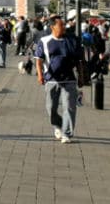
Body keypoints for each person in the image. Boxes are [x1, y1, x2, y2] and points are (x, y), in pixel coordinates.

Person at [34, 15, 84, 143]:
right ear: (52, 27)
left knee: (69, 107)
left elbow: (79, 61)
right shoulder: (44, 41)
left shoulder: (72, 40)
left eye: (64, 25)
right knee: (51, 108)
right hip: (52, 79)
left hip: (69, 79)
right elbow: (39, 61)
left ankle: (67, 133)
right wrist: (40, 75)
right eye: (61, 25)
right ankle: (58, 125)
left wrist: (81, 76)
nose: (64, 27)